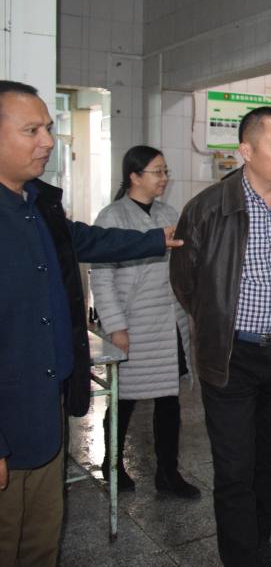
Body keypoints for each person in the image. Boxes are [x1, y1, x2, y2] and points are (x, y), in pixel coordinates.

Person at [0, 81, 181, 566]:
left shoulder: (37, 204)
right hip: (8, 416)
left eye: (48, 128)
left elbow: (88, 241)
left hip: (47, 407)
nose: (47, 141)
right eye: (32, 130)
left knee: (40, 539)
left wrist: (154, 240)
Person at [170, 107, 271, 567]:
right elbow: (185, 282)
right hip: (231, 356)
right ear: (246, 151)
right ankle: (240, 557)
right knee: (235, 466)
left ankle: (259, 541)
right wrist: (218, 325)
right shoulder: (207, 208)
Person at [91, 145, 199, 498]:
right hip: (134, 324)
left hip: (169, 324)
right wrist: (116, 326)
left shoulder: (169, 213)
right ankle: (112, 463)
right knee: (124, 399)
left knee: (169, 401)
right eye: (157, 171)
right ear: (134, 176)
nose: (164, 178)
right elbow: (101, 277)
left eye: (166, 171)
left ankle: (168, 474)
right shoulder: (112, 217)